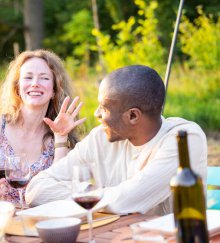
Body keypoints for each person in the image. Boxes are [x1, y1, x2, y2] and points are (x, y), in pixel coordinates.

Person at [25, 65, 207, 215]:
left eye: (104, 108)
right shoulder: (100, 137)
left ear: (133, 116)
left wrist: (88, 196)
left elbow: (127, 200)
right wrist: (90, 196)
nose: (96, 114)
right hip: (113, 240)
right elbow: (36, 189)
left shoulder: (185, 139)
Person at [0, 49, 86, 205]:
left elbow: (59, 191)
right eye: (28, 77)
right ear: (17, 87)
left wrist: (61, 137)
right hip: (0, 220)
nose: (35, 83)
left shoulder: (61, 136)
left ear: (54, 90)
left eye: (44, 78)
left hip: (43, 222)